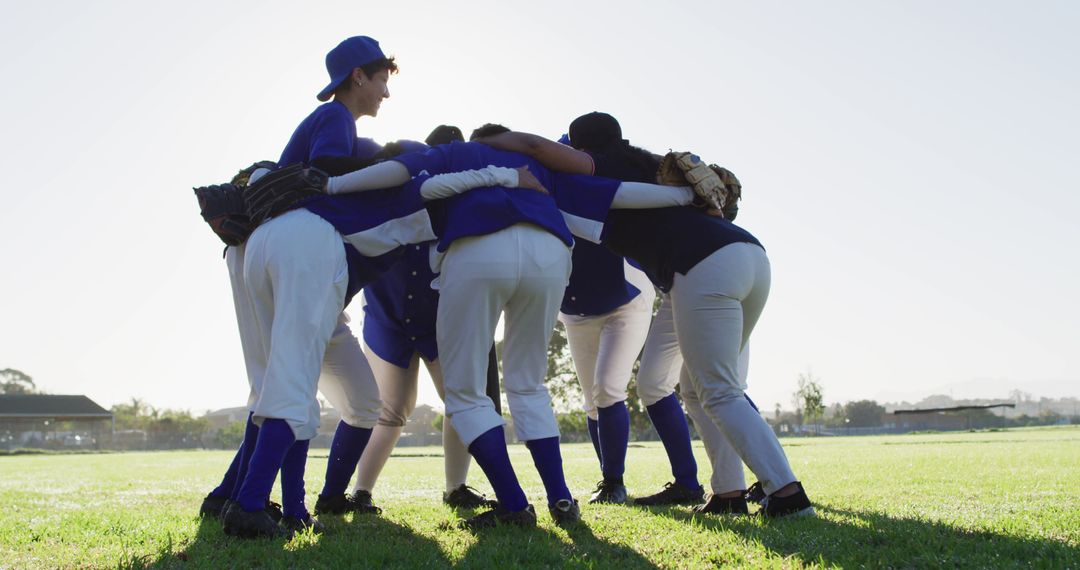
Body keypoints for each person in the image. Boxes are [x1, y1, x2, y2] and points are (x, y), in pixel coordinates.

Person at [320, 126, 703, 528]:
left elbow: (397, 172)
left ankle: (514, 504)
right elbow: (616, 194)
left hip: (479, 247)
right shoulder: (536, 163)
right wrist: (684, 195)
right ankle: (560, 497)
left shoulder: (453, 152)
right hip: (550, 252)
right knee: (528, 384)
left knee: (466, 394)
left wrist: (330, 185)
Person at [476, 118, 816, 517]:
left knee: (718, 389)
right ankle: (728, 493)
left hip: (702, 265)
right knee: (694, 387)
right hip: (745, 256)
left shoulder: (598, 170)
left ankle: (788, 494)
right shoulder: (647, 167)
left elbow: (535, 147)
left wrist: (484, 143)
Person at [350, 127, 501, 511]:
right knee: (392, 409)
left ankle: (456, 487)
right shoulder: (392, 192)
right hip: (387, 318)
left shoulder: (466, 198)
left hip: (440, 321)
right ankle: (359, 491)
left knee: (460, 401)